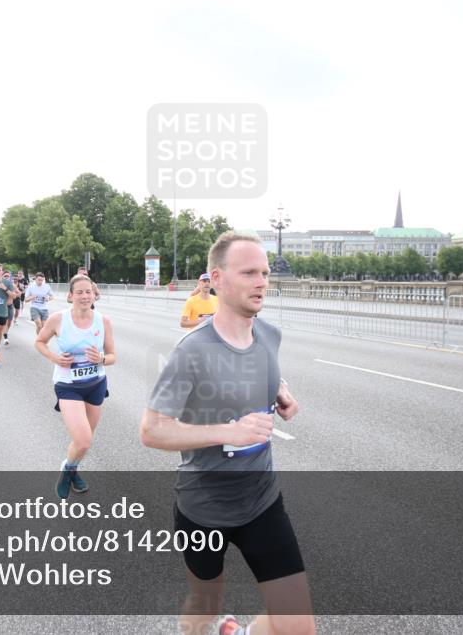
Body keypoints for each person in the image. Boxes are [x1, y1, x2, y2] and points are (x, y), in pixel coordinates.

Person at [140, 231, 313, 635]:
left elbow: (258, 369)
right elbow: (151, 431)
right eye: (249, 272)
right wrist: (229, 432)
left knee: (300, 626)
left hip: (261, 501)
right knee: (205, 606)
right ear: (216, 279)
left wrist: (280, 391)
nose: (262, 282)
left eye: (265, 272)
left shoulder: (270, 334)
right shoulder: (192, 351)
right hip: (204, 508)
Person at [35, 274, 116, 499]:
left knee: (84, 441)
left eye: (88, 291)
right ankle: (67, 469)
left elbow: (112, 356)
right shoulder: (58, 319)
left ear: (94, 294)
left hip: (96, 383)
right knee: (83, 440)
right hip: (68, 385)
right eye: (79, 292)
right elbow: (39, 342)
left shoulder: (103, 321)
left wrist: (100, 359)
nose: (84, 296)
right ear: (70, 296)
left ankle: (72, 470)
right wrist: (54, 358)